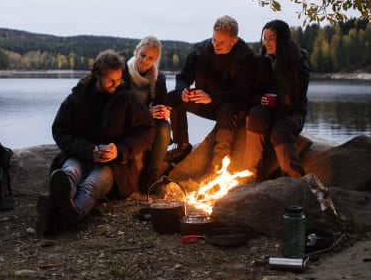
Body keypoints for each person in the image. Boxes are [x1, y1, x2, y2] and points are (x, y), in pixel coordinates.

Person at [37, 50, 156, 235]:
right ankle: (69, 211)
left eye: (118, 80)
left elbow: (148, 130)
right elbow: (60, 130)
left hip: (115, 164)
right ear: (98, 75)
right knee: (69, 173)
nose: (116, 84)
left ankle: (63, 213)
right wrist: (87, 150)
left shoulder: (127, 98)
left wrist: (120, 150)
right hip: (80, 154)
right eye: (110, 80)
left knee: (91, 184)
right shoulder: (78, 98)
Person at [166, 15, 255, 169]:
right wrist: (183, 91)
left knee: (227, 109)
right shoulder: (200, 51)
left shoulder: (245, 57)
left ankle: (218, 163)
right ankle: (181, 146)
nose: (216, 45)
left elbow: (242, 92)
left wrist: (211, 98)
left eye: (222, 42)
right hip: (206, 102)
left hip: (232, 106)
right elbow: (182, 77)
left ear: (234, 41)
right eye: (214, 40)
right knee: (174, 98)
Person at [242, 19, 311, 180]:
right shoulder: (261, 60)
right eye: (265, 38)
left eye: (271, 38)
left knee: (280, 130)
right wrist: (262, 100)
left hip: (292, 113)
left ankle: (295, 180)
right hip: (269, 109)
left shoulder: (298, 62)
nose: (267, 43)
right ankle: (250, 175)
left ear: (283, 38)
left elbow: (298, 101)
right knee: (255, 116)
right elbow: (252, 91)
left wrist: (277, 111)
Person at [121, 35, 172, 192]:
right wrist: (146, 113)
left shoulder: (158, 78)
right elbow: (119, 107)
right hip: (125, 119)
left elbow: (161, 102)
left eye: (151, 58)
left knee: (164, 126)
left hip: (146, 119)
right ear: (136, 52)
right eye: (143, 55)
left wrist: (164, 111)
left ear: (155, 59)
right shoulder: (123, 71)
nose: (145, 60)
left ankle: (152, 173)